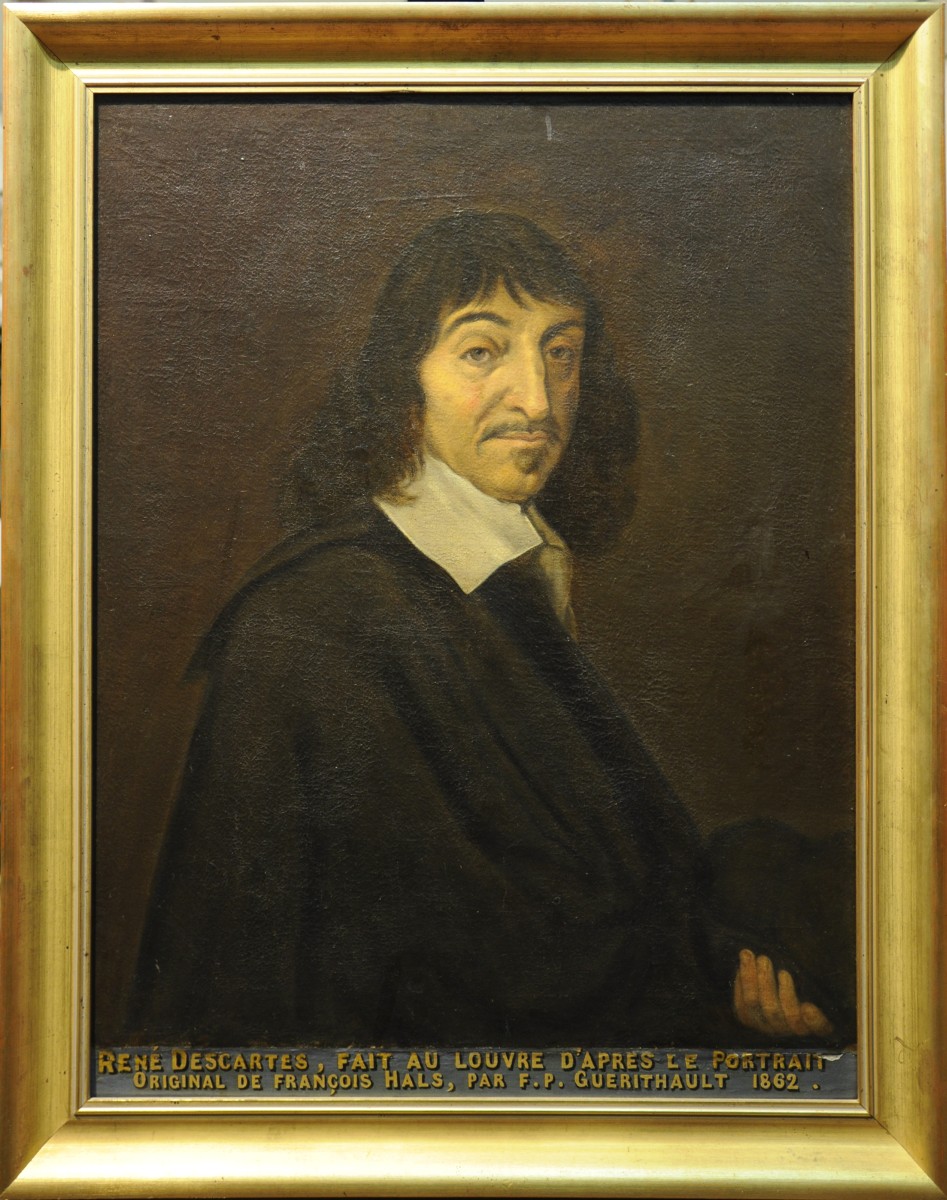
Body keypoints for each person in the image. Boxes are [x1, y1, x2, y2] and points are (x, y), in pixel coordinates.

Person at [129, 212, 836, 1048]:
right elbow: (439, 960)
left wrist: (749, 974)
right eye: (480, 351)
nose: (537, 400)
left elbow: (618, 887)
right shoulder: (313, 621)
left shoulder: (518, 583)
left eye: (560, 353)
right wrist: (712, 985)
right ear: (403, 379)